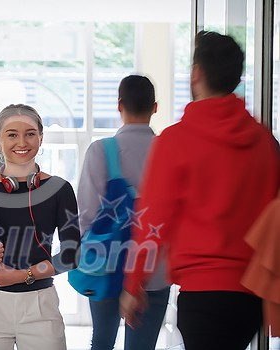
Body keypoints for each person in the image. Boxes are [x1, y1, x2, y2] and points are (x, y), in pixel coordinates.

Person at [120, 31, 280, 350]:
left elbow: (153, 218)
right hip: (251, 297)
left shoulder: (176, 141)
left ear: (196, 74)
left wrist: (134, 283)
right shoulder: (265, 142)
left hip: (202, 294)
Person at [0, 103, 80, 350]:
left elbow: (71, 256)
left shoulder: (60, 189)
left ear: (41, 138)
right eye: (12, 134)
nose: (21, 142)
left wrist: (24, 275)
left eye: (30, 133)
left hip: (40, 305)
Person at [78, 74, 170, 349]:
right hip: (154, 268)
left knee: (102, 341)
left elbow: (86, 214)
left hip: (106, 263)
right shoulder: (168, 150)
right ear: (155, 107)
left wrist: (87, 255)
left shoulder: (100, 151)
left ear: (119, 105)